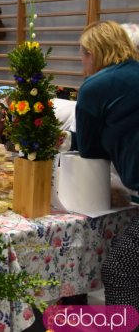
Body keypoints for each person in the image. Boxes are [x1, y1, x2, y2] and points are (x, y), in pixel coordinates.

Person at [74, 21, 139, 309]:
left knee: (119, 270)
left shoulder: (95, 87)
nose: (80, 60)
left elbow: (90, 152)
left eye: (82, 53)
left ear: (93, 53)